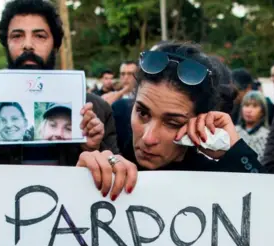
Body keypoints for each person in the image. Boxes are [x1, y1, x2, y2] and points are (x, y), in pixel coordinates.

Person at [0, 0, 118, 212]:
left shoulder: (96, 109)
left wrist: (93, 149)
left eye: (40, 36)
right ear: (6, 43)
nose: (27, 45)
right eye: (17, 36)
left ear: (55, 44)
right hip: (4, 232)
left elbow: (115, 193)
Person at [74, 42, 264, 201]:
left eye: (172, 123)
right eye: (142, 113)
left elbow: (270, 211)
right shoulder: (116, 127)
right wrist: (83, 178)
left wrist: (234, 152)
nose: (148, 138)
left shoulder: (212, 177)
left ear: (201, 121)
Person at [234, 91, 270, 161]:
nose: (249, 110)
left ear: (262, 111)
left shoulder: (267, 136)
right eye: (246, 105)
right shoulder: (233, 131)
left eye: (255, 106)